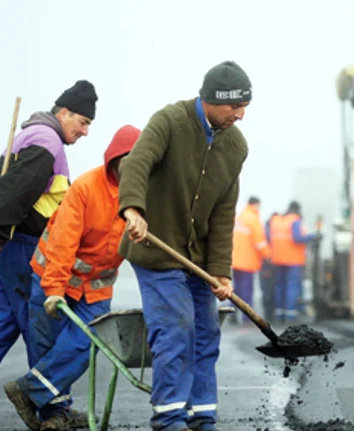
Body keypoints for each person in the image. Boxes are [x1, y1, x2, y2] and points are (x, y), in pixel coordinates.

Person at [118, 60, 251, 431]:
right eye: (233, 106)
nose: (239, 115)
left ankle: (201, 415)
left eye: (245, 107)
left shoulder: (236, 146)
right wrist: (133, 209)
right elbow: (136, 163)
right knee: (177, 327)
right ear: (210, 99)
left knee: (206, 332)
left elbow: (224, 213)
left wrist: (221, 271)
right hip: (155, 249)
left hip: (197, 259)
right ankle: (170, 418)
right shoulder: (170, 122)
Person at [0, 80, 98, 431]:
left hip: (7, 241)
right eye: (82, 122)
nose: (84, 131)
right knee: (42, 323)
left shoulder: (37, 135)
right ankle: (52, 410)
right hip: (19, 244)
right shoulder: (47, 141)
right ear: (64, 112)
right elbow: (15, 189)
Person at [2, 125, 141, 431]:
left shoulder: (144, 196)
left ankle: (28, 391)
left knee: (88, 342)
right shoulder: (86, 188)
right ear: (114, 160)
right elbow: (63, 242)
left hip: (95, 287)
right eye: (126, 162)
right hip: (54, 275)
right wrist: (53, 289)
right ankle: (53, 416)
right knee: (47, 345)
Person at [270, 201, 321, 322]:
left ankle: (279, 314)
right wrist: (313, 236)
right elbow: (297, 238)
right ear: (297, 209)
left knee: (280, 286)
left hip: (278, 259)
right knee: (292, 287)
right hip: (293, 260)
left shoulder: (278, 221)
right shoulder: (295, 221)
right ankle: (290, 315)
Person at [231, 196, 271, 324]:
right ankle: (246, 317)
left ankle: (232, 313)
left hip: (235, 260)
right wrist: (268, 255)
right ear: (256, 205)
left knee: (236, 289)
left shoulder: (240, 217)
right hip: (247, 261)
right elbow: (260, 242)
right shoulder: (253, 219)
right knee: (247, 289)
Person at [260, 212, 280, 320]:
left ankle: (269, 315)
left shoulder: (267, 230)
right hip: (270, 265)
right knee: (270, 290)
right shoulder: (269, 232)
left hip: (268, 265)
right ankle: (270, 315)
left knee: (268, 290)